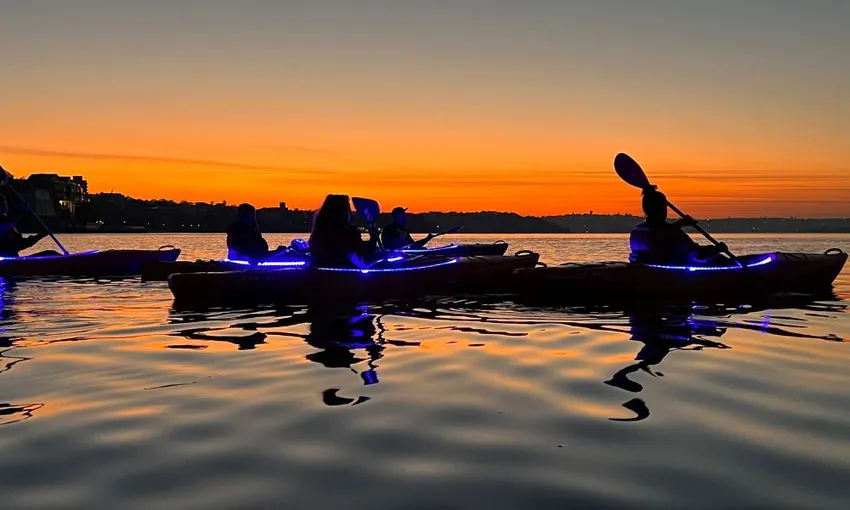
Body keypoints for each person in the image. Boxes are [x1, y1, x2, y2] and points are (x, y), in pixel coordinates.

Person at [629, 188, 727, 265]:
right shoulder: (671, 234)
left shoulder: (636, 231)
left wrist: (679, 225)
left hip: (650, 273)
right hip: (668, 276)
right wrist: (717, 249)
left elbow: (661, 233)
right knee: (720, 260)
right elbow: (697, 254)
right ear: (663, 209)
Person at [309, 194, 378, 268]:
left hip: (322, 276)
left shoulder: (318, 234)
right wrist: (373, 238)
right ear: (344, 212)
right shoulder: (349, 235)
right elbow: (365, 254)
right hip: (348, 276)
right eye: (348, 209)